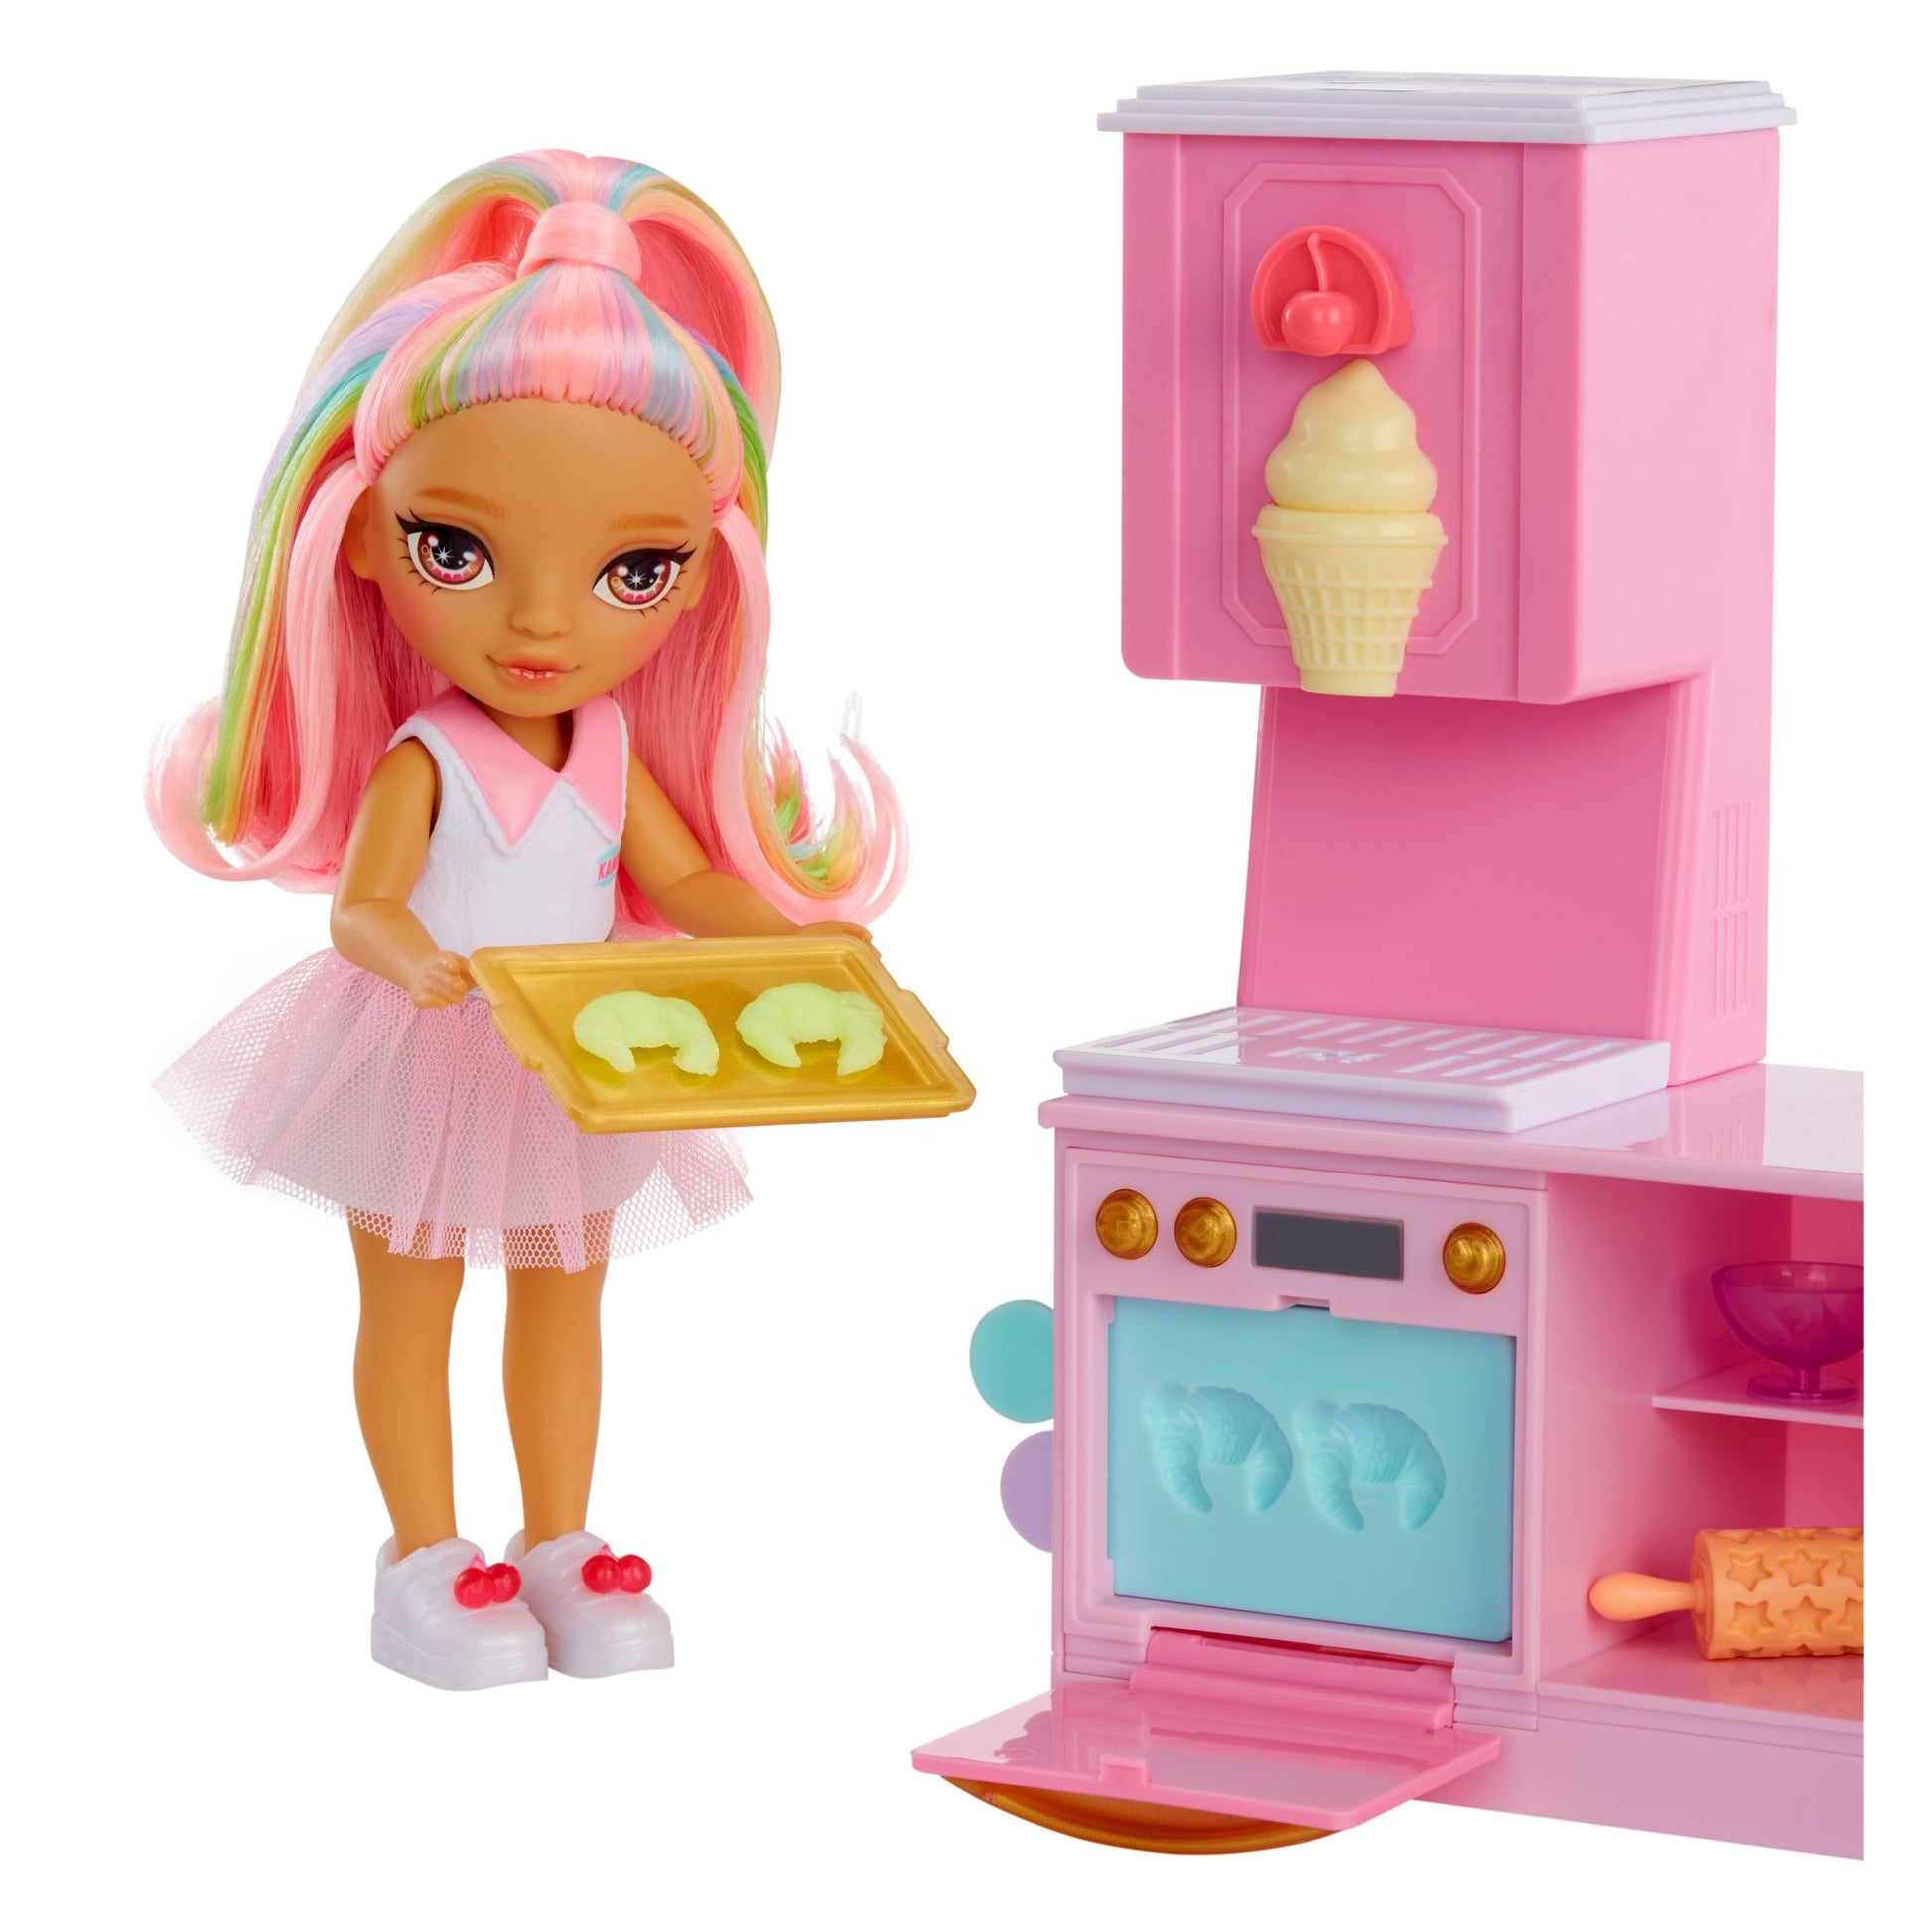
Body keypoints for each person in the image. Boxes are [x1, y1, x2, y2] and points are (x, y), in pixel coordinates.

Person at [150, 151, 901, 1691]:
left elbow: (681, 882)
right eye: (461, 549)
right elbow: (364, 905)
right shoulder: (425, 755)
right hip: (424, 1043)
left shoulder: (612, 744)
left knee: (568, 1294)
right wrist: (414, 959)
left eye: (634, 567)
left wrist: (778, 937)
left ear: (699, 581)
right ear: (366, 539)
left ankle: (560, 1535)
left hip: (581, 1047)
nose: (545, 618)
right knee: (412, 1297)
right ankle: (426, 1550)